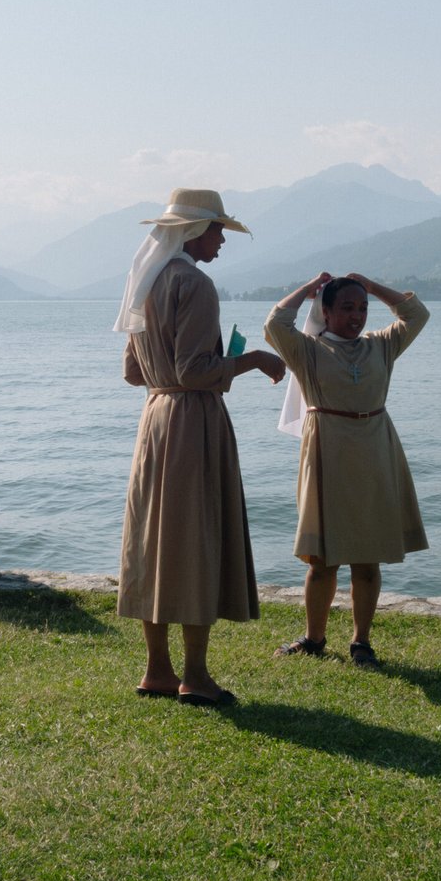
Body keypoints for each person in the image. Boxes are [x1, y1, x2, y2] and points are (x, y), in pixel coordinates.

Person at [115, 188, 286, 707]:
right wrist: (253, 359)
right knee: (194, 541)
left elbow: (131, 372)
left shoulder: (145, 284)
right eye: (217, 230)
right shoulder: (196, 284)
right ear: (194, 232)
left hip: (155, 419)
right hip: (192, 421)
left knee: (154, 543)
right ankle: (195, 675)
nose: (221, 241)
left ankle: (157, 669)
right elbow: (195, 372)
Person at [265, 272, 430, 667]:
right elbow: (274, 324)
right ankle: (314, 638)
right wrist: (307, 287)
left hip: (375, 450)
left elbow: (416, 314)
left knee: (367, 557)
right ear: (326, 311)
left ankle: (361, 643)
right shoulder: (308, 350)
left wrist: (372, 286)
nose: (356, 316)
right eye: (346, 307)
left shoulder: (382, 345)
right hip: (327, 451)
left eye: (362, 308)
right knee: (323, 560)